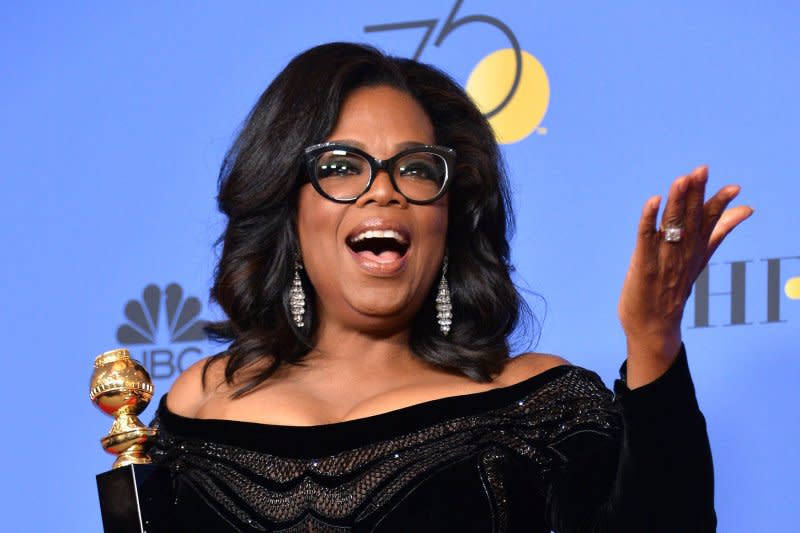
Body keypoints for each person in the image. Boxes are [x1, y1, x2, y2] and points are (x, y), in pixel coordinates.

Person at [148, 42, 752, 532]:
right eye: (342, 166)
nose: (382, 190)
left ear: (448, 217)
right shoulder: (198, 403)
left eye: (416, 168)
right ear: (288, 202)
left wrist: (652, 339)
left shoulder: (540, 405)